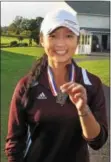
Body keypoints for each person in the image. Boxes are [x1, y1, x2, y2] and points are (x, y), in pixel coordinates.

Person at [5, 8, 108, 162]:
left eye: (68, 36)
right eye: (53, 36)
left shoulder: (92, 83)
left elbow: (97, 142)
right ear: (41, 39)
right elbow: (14, 143)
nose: (61, 43)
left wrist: (83, 109)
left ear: (77, 40)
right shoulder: (26, 86)